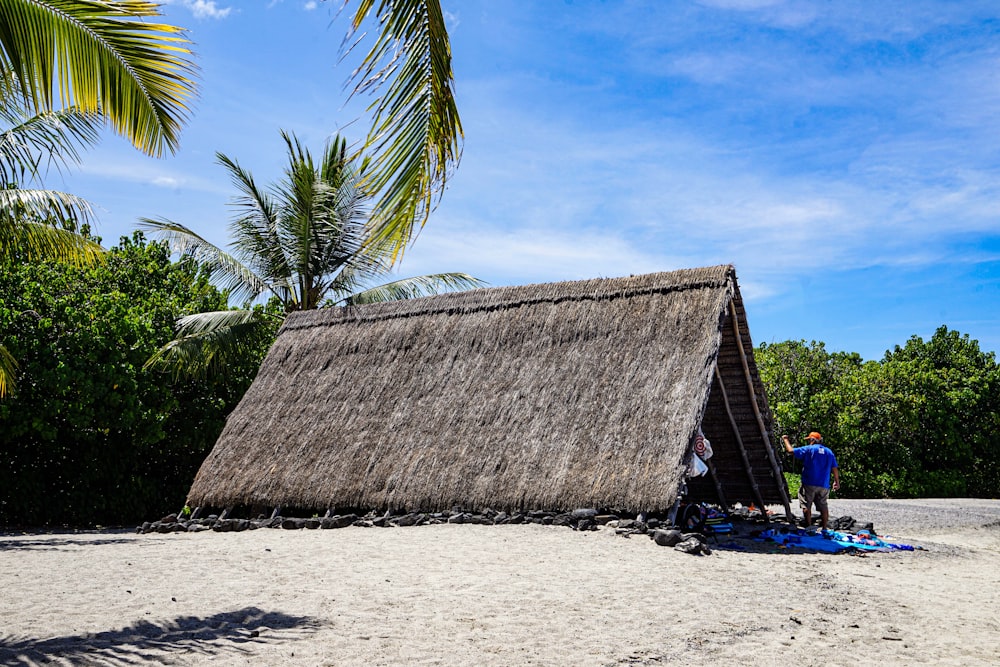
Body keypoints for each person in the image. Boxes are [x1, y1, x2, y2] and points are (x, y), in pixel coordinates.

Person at [782, 431, 840, 531]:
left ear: (813, 440)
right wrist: (836, 481)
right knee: (823, 505)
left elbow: (791, 451)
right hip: (824, 484)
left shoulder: (809, 449)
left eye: (809, 440)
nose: (809, 442)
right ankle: (825, 528)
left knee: (806, 504)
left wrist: (785, 440)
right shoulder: (829, 452)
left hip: (809, 482)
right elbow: (834, 468)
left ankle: (809, 527)